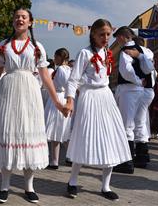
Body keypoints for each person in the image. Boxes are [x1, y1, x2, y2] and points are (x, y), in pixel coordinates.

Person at [0, 7, 65, 204]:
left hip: (30, 92)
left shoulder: (37, 47)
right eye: (16, 16)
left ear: (30, 22)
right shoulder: (4, 45)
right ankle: (4, 186)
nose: (19, 19)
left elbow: (45, 77)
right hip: (8, 92)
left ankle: (29, 186)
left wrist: (57, 102)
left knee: (29, 135)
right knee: (8, 135)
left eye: (23, 17)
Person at [63, 19, 131, 201]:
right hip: (89, 97)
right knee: (84, 137)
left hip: (106, 97)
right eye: (102, 34)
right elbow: (73, 79)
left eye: (108, 34)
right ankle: (72, 181)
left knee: (111, 138)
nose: (106, 38)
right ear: (93, 34)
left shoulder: (107, 53)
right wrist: (69, 100)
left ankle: (106, 185)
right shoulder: (84, 53)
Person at [113, 26, 155, 171]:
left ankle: (126, 162)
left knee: (127, 125)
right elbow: (149, 68)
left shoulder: (126, 50)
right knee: (138, 122)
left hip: (129, 89)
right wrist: (139, 80)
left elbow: (126, 71)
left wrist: (137, 80)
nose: (117, 41)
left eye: (117, 38)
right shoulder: (141, 50)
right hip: (139, 90)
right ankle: (141, 158)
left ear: (122, 37)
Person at [45, 48, 72, 170]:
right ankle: (69, 157)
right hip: (60, 97)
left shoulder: (61, 69)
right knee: (61, 130)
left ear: (60, 57)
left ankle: (54, 161)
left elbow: (66, 84)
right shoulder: (68, 69)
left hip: (58, 97)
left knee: (56, 129)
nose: (54, 59)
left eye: (56, 57)